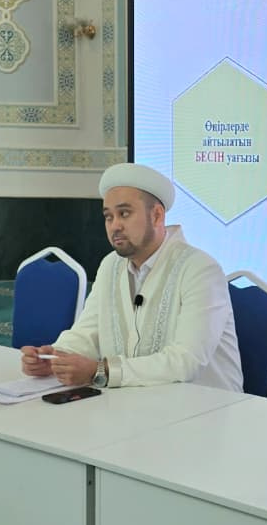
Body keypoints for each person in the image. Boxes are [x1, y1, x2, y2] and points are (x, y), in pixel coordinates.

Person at [20, 163, 244, 391]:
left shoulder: (199, 269)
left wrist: (101, 371)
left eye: (124, 214)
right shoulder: (111, 265)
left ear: (157, 215)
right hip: (136, 400)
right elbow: (87, 332)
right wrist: (56, 358)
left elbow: (186, 361)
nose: (114, 226)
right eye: (108, 217)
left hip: (205, 405)